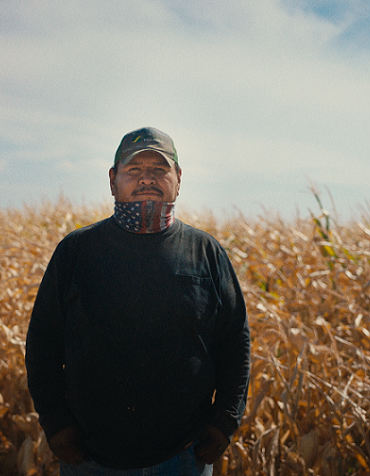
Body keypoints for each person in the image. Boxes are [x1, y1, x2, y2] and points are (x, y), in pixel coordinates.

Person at [25, 127, 250, 475]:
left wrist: (225, 420)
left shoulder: (206, 252)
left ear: (178, 178)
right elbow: (43, 340)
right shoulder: (76, 251)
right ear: (113, 180)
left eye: (159, 169)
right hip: (90, 455)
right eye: (134, 170)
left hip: (186, 454)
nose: (147, 179)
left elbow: (235, 340)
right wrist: (55, 422)